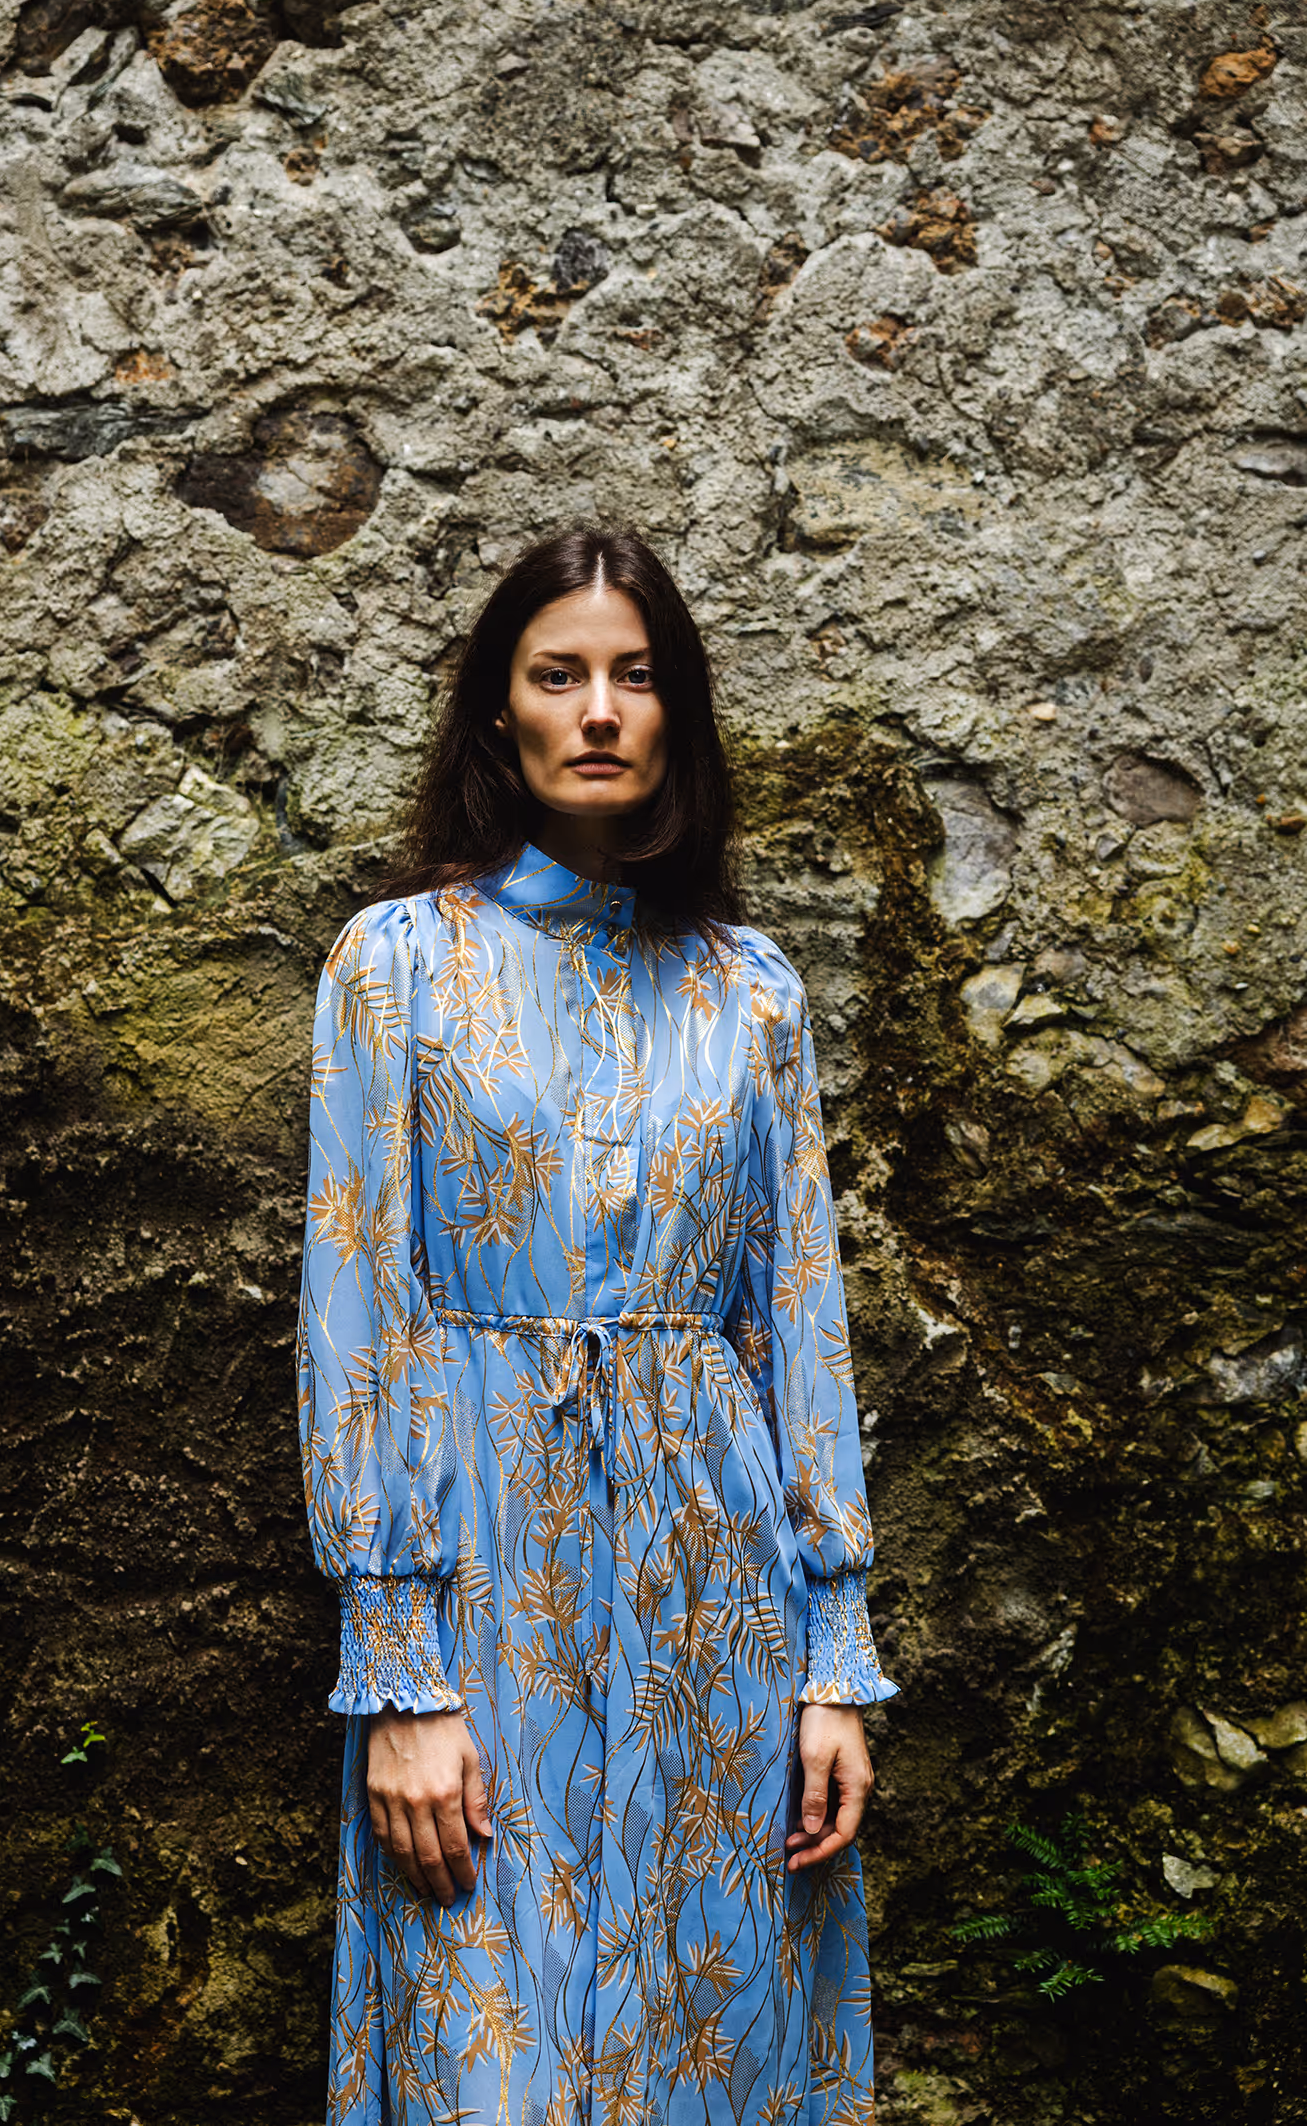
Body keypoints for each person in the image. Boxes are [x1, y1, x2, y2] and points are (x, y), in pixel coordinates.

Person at [295, 525, 896, 2126]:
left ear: (676, 709)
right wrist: (401, 1682)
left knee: (712, 2045)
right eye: (559, 674)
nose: (601, 709)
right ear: (501, 712)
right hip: (485, 1601)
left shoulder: (753, 993)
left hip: (721, 1608)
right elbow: (359, 1318)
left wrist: (831, 1665)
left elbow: (798, 1323)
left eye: (635, 675)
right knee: (486, 2054)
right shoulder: (396, 968)